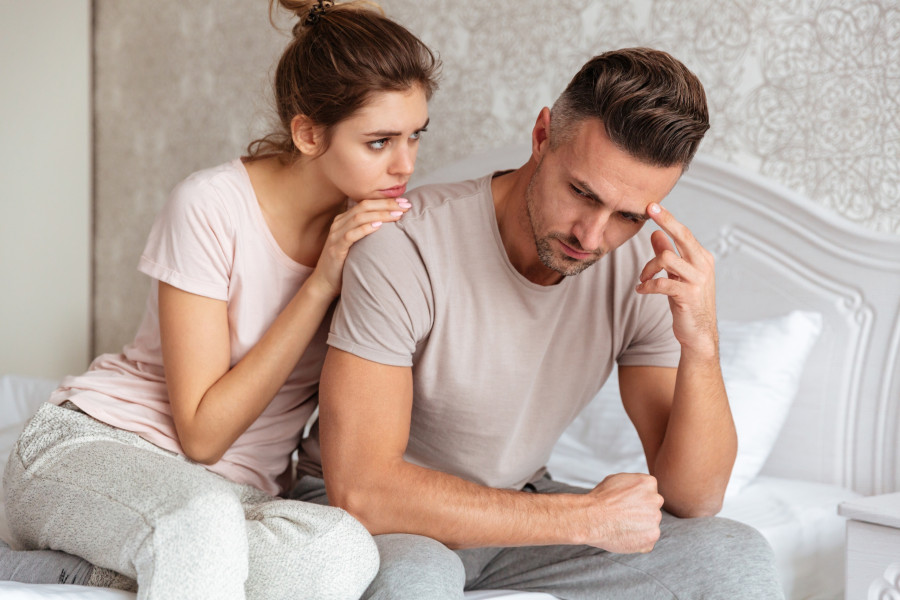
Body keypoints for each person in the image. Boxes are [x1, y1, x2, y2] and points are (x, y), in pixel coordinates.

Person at [292, 47, 785, 599]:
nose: (592, 237)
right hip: (374, 518)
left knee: (731, 554)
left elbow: (695, 498)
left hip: (515, 513)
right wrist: (582, 518)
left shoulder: (639, 271)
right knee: (417, 581)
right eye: (581, 192)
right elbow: (364, 491)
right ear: (542, 135)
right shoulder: (404, 247)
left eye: (627, 215)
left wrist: (701, 342)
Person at [0, 1, 438, 598]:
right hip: (100, 447)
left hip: (237, 496)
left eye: (416, 135)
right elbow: (202, 435)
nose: (405, 164)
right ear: (309, 133)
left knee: (340, 552)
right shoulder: (209, 204)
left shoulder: (378, 236)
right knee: (200, 524)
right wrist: (319, 285)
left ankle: (75, 569)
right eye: (380, 141)